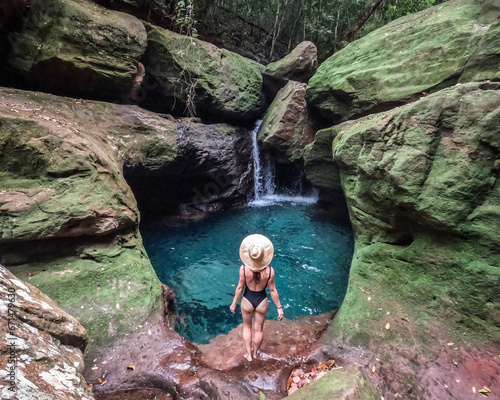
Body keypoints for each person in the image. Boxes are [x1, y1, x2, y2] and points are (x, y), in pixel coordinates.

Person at [229, 234, 284, 361]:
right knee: (258, 329)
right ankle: (255, 353)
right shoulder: (270, 271)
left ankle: (248, 355)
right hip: (262, 301)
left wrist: (233, 303)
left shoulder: (243, 269)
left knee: (247, 327)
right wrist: (279, 308)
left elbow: (239, 288)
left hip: (247, 300)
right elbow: (272, 290)